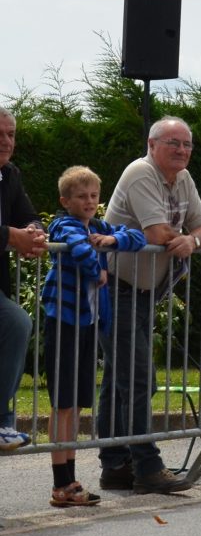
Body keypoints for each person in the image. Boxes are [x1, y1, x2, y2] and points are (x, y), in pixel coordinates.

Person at [97, 116, 201, 494]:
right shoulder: (140, 173)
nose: (181, 150)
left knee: (121, 381)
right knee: (139, 380)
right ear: (152, 144)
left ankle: (115, 464)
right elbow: (157, 233)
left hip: (145, 291)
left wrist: (190, 242)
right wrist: (184, 237)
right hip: (117, 288)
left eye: (186, 144)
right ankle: (147, 467)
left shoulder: (184, 179)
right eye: (173, 143)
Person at [39, 166, 145, 506]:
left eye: (93, 197)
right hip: (64, 321)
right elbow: (77, 247)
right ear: (65, 200)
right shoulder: (64, 223)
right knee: (63, 403)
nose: (88, 202)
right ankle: (61, 482)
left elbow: (137, 237)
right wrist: (98, 267)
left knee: (78, 402)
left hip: (87, 323)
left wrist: (113, 240)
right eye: (81, 197)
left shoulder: (98, 227)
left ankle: (70, 481)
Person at [0, 107, 45, 451]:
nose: (5, 141)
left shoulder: (10, 175)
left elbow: (28, 215)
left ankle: (2, 421)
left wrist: (34, 233)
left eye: (11, 134)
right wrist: (8, 237)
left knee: (17, 323)